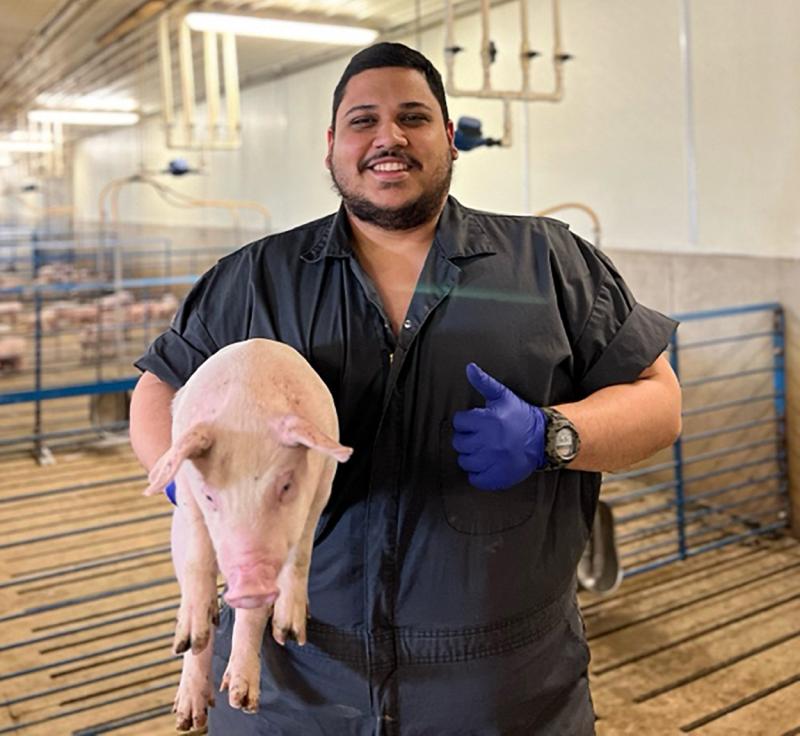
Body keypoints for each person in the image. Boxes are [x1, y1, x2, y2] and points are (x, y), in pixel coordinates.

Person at [130, 42, 681, 736]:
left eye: (413, 117)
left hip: (501, 687)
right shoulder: (254, 277)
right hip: (291, 685)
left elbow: (659, 402)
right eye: (363, 121)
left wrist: (555, 435)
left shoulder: (549, 261)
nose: (388, 137)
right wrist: (193, 489)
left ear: (449, 139)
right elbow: (157, 389)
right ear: (331, 146)